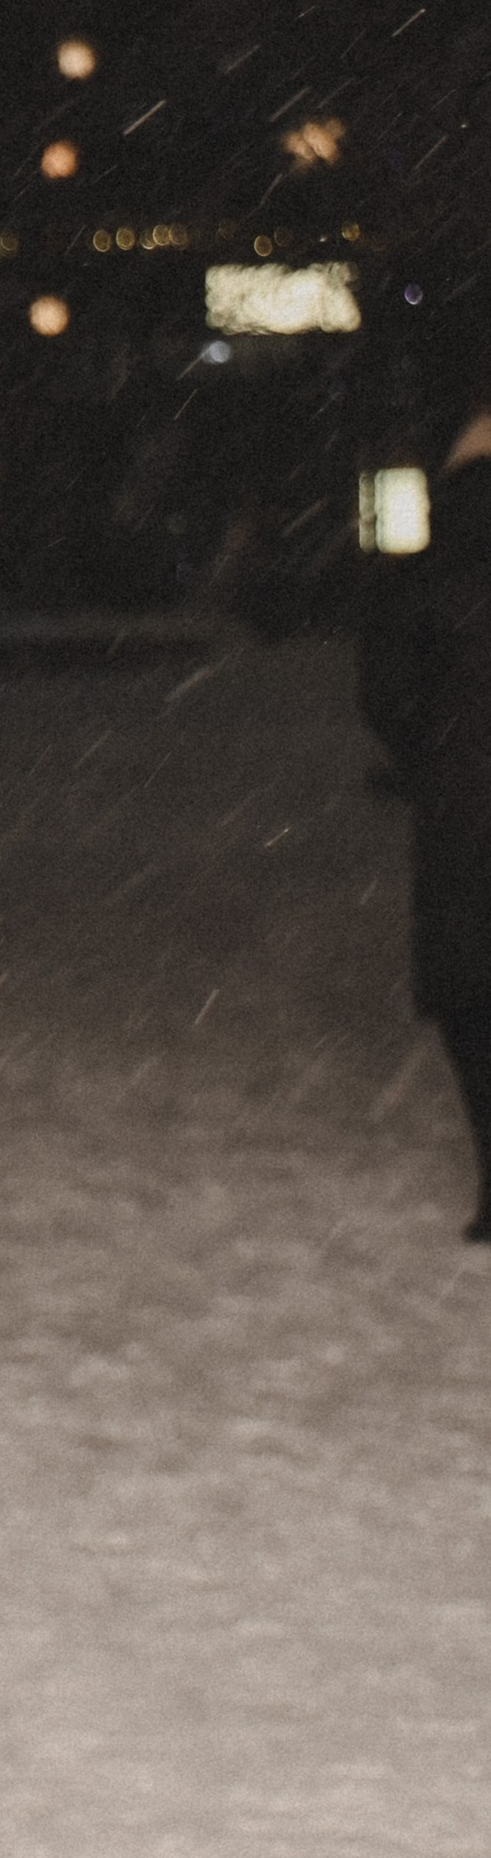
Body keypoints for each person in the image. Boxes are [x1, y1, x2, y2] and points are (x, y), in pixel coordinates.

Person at [359, 382, 491, 1240]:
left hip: (465, 803)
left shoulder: (433, 566)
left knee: (471, 990)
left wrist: (421, 755)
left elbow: (385, 689)